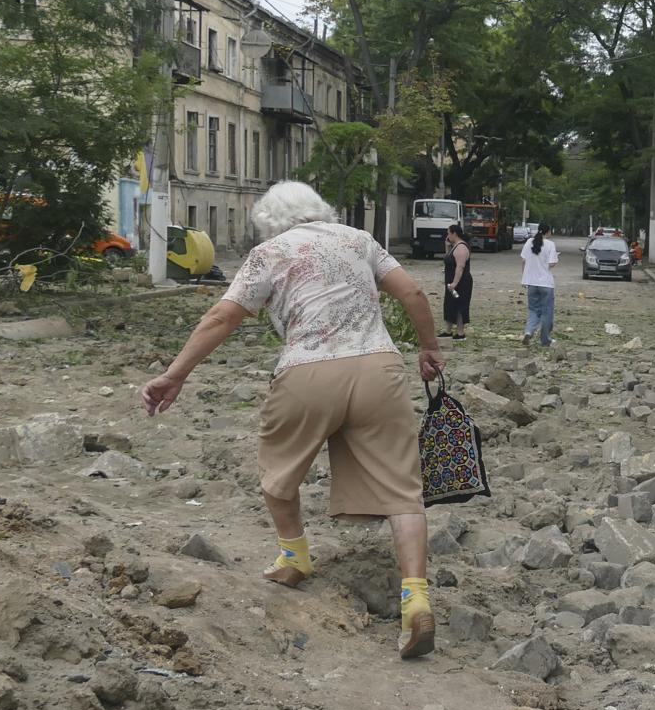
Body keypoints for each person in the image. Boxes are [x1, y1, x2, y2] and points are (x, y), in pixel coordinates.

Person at [139, 181, 444, 660]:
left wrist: (174, 374)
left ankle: (294, 556)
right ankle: (416, 599)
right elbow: (413, 292)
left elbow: (221, 318)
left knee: (278, 468)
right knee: (403, 490)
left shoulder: (269, 253)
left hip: (308, 370)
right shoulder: (359, 240)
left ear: (270, 220)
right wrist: (429, 348)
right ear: (319, 208)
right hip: (379, 369)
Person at [521, 223, 559, 348]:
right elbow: (552, 263)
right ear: (548, 232)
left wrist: (524, 278)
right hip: (546, 283)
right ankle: (545, 339)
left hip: (532, 283)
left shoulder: (529, 242)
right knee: (546, 312)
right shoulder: (550, 244)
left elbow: (524, 260)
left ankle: (528, 331)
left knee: (533, 310)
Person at [442, 224, 472, 340]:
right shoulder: (454, 247)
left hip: (461, 282)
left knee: (460, 306)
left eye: (449, 233)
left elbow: (460, 267)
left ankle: (460, 333)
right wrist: (447, 247)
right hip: (450, 281)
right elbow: (448, 259)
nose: (447, 236)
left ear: (454, 233)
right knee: (449, 305)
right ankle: (448, 330)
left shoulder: (461, 248)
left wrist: (455, 283)